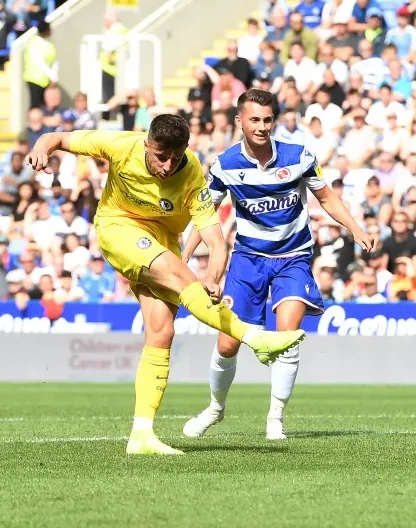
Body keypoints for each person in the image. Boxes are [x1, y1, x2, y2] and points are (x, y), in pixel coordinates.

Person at [24, 115, 306, 456]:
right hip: (119, 227)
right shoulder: (121, 146)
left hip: (163, 241)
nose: (168, 164)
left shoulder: (191, 174)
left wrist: (215, 279)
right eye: (161, 155)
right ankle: (254, 337)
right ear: (147, 143)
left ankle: (141, 434)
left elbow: (216, 242)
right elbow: (59, 137)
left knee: (161, 331)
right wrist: (41, 146)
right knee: (181, 276)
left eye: (175, 156)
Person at [181, 89, 376, 440]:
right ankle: (215, 408)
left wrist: (356, 228)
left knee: (287, 338)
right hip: (248, 259)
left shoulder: (298, 157)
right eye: (254, 119)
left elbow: (326, 196)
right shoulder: (225, 164)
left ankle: (275, 418)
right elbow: (204, 215)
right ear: (239, 120)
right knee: (228, 344)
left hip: (293, 258)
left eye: (268, 119)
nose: (262, 127)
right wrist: (183, 255)